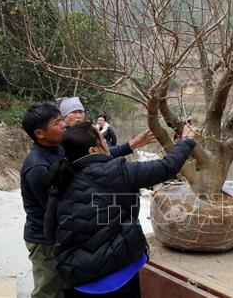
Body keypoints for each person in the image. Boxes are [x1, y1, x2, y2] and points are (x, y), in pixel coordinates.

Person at [44, 121, 196, 297]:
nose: (107, 143)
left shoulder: (60, 182)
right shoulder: (117, 171)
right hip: (120, 277)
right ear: (93, 150)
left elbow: (49, 232)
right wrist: (186, 140)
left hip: (77, 281)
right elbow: (167, 167)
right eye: (102, 139)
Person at [20, 102, 68, 298]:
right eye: (58, 122)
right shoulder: (38, 166)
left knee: (61, 284)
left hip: (57, 233)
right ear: (40, 133)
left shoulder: (58, 148)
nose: (64, 125)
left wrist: (130, 146)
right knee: (47, 289)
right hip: (44, 239)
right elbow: (53, 208)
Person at [59, 97, 155, 152]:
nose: (78, 116)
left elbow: (106, 151)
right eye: (74, 112)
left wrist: (134, 143)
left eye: (81, 112)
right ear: (64, 116)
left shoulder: (93, 131)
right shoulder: (59, 137)